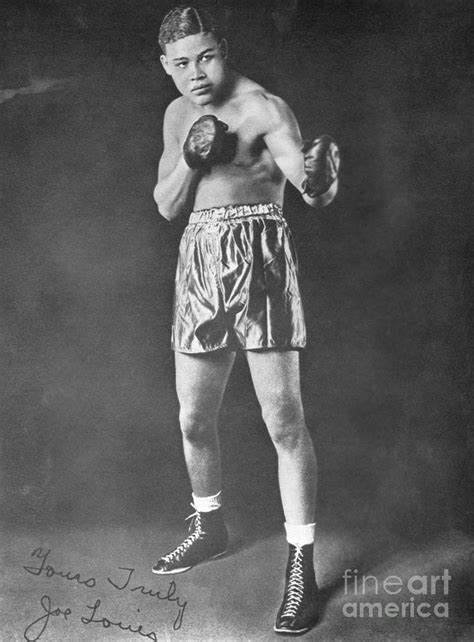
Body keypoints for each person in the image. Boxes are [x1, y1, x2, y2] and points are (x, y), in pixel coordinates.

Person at [152, 5, 339, 635]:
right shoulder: (178, 113)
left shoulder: (265, 107)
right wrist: (192, 156)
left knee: (284, 422)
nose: (196, 73)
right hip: (199, 260)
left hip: (259, 256)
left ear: (222, 51)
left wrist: (320, 178)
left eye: (206, 57)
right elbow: (166, 205)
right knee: (192, 417)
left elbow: (308, 188)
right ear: (166, 67)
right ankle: (209, 526)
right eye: (181, 63)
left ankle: (301, 569)